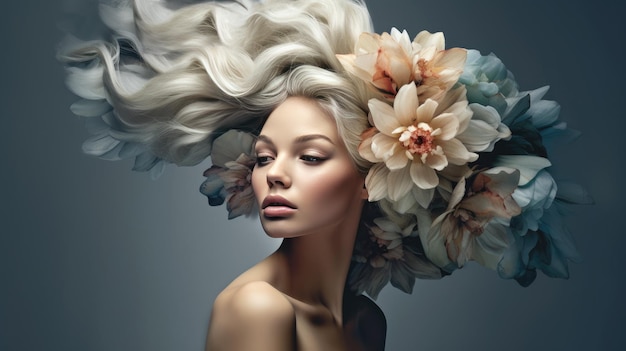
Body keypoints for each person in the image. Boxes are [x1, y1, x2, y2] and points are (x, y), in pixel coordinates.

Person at [58, 0, 589, 350]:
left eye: (309, 156)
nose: (274, 176)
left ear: (369, 175)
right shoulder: (256, 309)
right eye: (264, 158)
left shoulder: (365, 322)